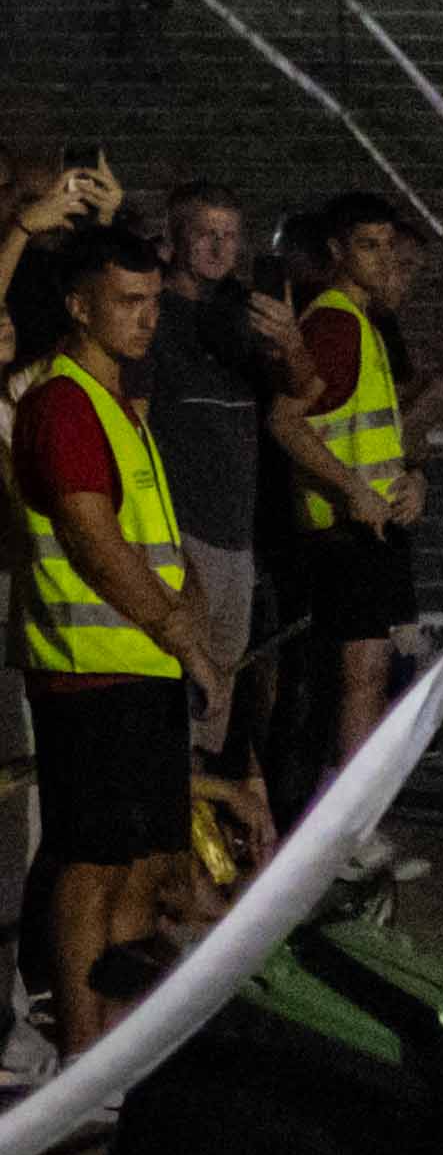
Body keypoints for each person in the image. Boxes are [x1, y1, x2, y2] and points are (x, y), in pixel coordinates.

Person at [18, 230, 220, 1051]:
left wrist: (188, 623)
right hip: (90, 672)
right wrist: (183, 634)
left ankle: (119, 1043)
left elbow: (156, 543)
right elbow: (93, 539)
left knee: (144, 863)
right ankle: (82, 1051)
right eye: (128, 302)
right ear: (79, 306)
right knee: (92, 864)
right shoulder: (63, 402)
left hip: (142, 667)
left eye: (153, 302)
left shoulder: (119, 406)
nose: (147, 318)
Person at [268, 195, 424, 821]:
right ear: (337, 251)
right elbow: (286, 421)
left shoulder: (361, 323)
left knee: (371, 677)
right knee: (359, 680)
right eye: (368, 246)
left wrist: (410, 480)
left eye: (388, 246)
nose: (384, 259)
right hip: (343, 535)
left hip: (372, 529)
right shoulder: (334, 324)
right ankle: (348, 828)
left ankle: (353, 823)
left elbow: (377, 431)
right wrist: (353, 490)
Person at [141, 178, 286, 784]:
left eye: (230, 235)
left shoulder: (242, 317)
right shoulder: (152, 315)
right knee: (181, 694)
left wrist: (290, 344)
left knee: (218, 701)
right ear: (173, 240)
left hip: (236, 537)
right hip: (184, 535)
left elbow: (302, 394)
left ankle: (203, 821)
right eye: (205, 234)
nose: (219, 248)